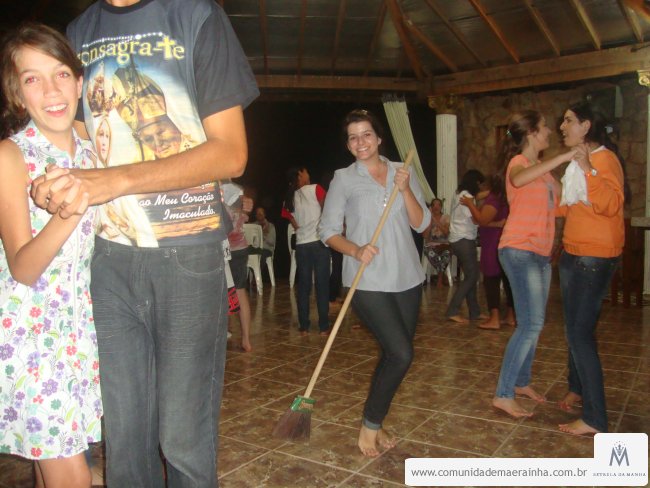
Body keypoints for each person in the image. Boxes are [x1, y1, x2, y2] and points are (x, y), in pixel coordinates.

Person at [31, 1, 259, 486]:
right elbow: (78, 137)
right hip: (108, 258)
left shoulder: (195, 15)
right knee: (125, 442)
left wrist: (113, 180)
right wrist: (54, 178)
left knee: (183, 439)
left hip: (186, 253)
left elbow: (231, 153)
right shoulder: (80, 29)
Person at [0, 22, 102, 488]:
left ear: (79, 82)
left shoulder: (93, 154)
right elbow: (22, 268)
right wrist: (67, 213)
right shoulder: (11, 156)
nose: (51, 90)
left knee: (54, 468)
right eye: (32, 79)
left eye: (61, 74)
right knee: (74, 477)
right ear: (17, 94)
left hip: (79, 337)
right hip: (32, 340)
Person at [319, 109, 430, 457]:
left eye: (366, 134)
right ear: (348, 145)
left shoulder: (401, 171)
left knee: (394, 356)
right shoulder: (343, 179)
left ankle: (377, 422)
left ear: (379, 138)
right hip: (366, 280)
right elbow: (327, 231)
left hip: (407, 277)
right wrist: (355, 249)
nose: (360, 142)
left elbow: (421, 223)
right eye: (353, 137)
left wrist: (406, 189)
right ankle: (369, 425)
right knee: (401, 353)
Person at [492, 111, 576, 418]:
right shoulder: (519, 163)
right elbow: (518, 179)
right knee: (530, 324)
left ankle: (521, 382)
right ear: (531, 134)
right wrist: (562, 157)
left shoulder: (545, 174)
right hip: (519, 249)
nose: (550, 132)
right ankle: (503, 394)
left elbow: (566, 201)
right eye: (544, 128)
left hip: (540, 253)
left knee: (534, 324)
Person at [556, 102, 626, 435]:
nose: (562, 126)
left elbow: (611, 204)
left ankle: (596, 419)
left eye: (568, 120)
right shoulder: (576, 163)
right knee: (574, 328)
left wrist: (587, 170)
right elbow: (568, 207)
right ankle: (578, 388)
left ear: (586, 126)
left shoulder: (604, 159)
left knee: (580, 334)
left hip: (594, 257)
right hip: (573, 253)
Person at [461, 174, 515, 329]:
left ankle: (495, 318)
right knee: (507, 280)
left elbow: (481, 220)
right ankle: (510, 316)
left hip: (493, 243)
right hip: (503, 242)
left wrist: (470, 204)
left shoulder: (494, 199)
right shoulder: (505, 196)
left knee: (491, 279)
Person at [282, 167, 331, 336]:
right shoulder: (316, 189)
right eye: (305, 172)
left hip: (302, 245)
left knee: (303, 286)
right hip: (318, 242)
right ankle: (323, 326)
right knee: (322, 285)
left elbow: (290, 218)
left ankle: (304, 326)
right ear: (300, 176)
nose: (308, 173)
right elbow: (327, 209)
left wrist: (300, 228)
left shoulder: (291, 196)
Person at [444, 169, 486, 324]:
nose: (480, 188)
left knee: (471, 275)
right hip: (463, 239)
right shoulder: (466, 197)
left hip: (460, 238)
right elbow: (476, 220)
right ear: (475, 183)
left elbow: (478, 197)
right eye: (480, 184)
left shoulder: (460, 193)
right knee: (472, 276)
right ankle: (452, 310)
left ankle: (475, 312)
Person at [225, 187, 254, 352]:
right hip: (240, 247)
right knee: (239, 291)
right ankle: (246, 339)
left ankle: (225, 332)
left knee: (222, 293)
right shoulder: (238, 190)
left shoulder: (214, 188)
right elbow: (246, 208)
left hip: (225, 250)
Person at [422, 198, 451, 288]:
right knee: (430, 252)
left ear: (441, 207)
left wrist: (435, 220)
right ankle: (441, 277)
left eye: (438, 205)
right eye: (434, 205)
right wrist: (430, 220)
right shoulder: (427, 219)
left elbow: (446, 232)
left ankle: (440, 278)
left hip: (444, 245)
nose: (436, 207)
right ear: (431, 207)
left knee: (447, 253)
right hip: (431, 245)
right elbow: (425, 235)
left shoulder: (446, 217)